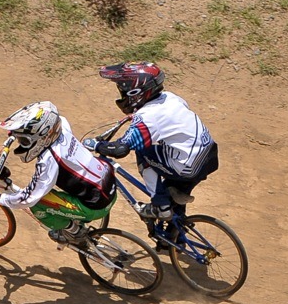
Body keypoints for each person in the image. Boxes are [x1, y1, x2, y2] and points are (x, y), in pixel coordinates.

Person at [85, 62, 218, 232]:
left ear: (135, 92)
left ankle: (160, 206)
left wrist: (97, 145)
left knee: (143, 150)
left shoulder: (147, 117)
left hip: (188, 166)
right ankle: (173, 237)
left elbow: (120, 149)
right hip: (208, 155)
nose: (122, 94)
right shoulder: (170, 97)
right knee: (174, 193)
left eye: (123, 90)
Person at [0, 101, 116, 246]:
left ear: (43, 137)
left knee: (38, 204)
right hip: (107, 186)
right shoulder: (61, 126)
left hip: (96, 206)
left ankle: (75, 232)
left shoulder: (49, 161)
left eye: (23, 140)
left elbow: (29, 199)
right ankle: (74, 219)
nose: (21, 143)